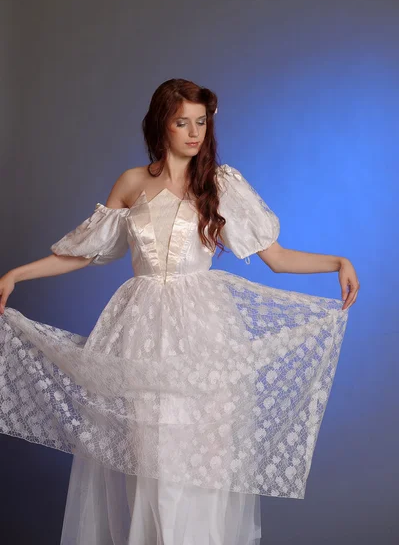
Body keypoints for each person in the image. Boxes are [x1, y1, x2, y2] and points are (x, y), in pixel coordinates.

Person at [0, 78, 359, 544]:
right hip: (142, 332)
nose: (195, 133)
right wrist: (15, 275)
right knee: (149, 460)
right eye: (182, 122)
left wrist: (337, 262)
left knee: (202, 457)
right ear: (160, 126)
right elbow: (85, 251)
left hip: (205, 334)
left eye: (202, 122)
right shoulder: (132, 183)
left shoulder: (219, 183)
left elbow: (277, 257)